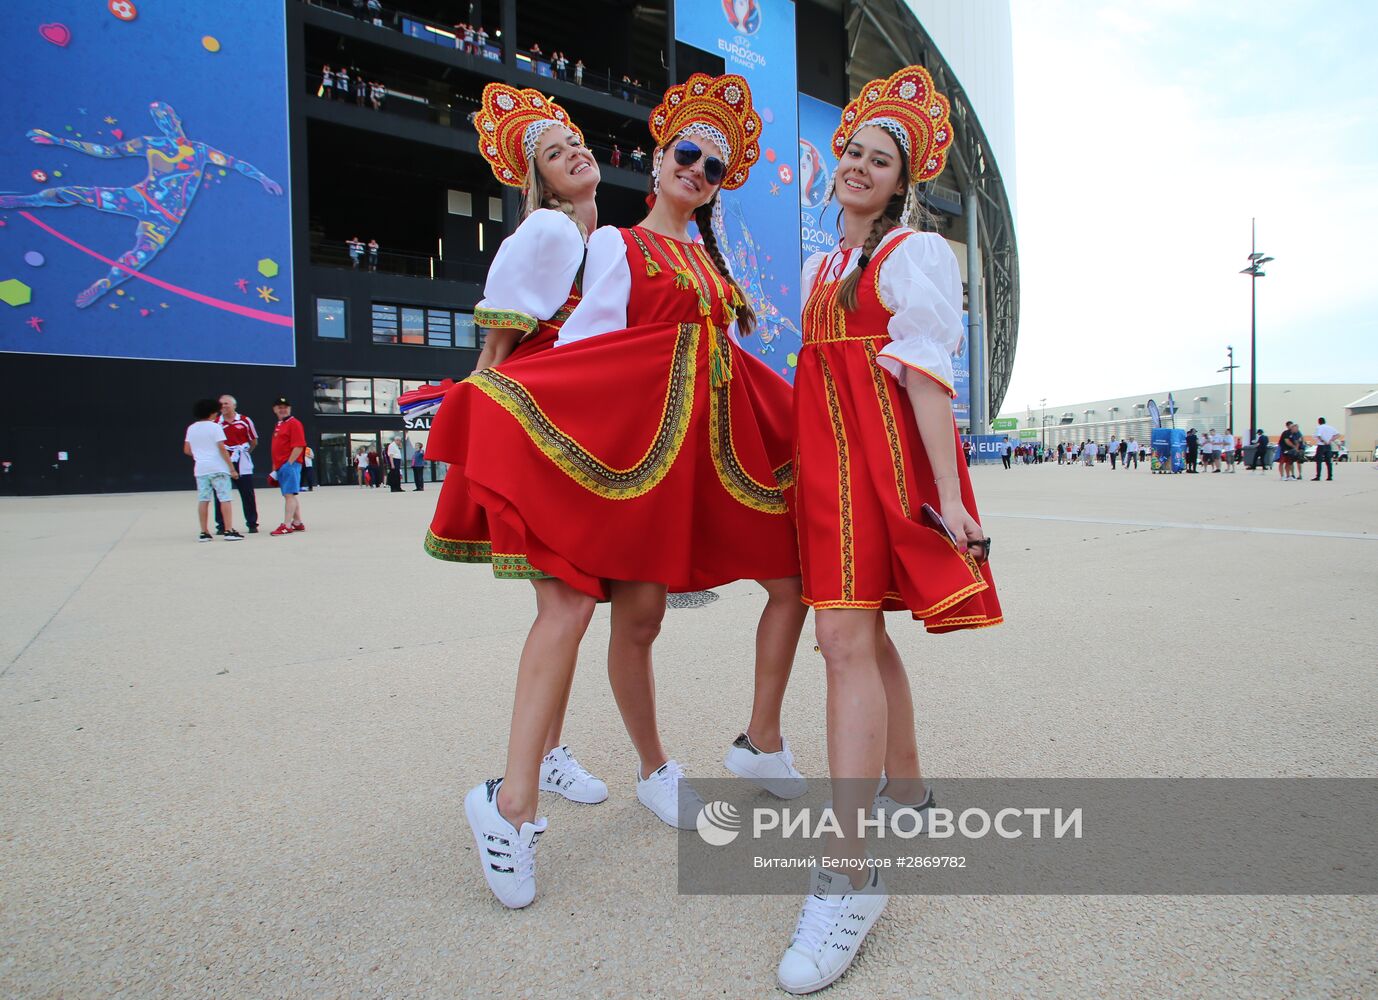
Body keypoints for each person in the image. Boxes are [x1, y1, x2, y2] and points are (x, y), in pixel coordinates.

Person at [435, 75, 807, 909]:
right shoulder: (617, 246)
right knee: (610, 619)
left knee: (775, 586)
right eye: (687, 152)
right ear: (659, 156)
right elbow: (593, 352)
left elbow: (730, 368)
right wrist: (507, 403)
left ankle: (737, 745)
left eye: (713, 165)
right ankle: (606, 780)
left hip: (705, 464)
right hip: (634, 456)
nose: (698, 169)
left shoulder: (708, 258)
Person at [780, 66, 1000, 994]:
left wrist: (950, 498)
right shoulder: (818, 265)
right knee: (856, 633)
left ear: (902, 180)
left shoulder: (915, 256)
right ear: (837, 166)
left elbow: (923, 379)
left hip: (883, 458)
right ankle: (906, 789)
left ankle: (850, 870)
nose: (863, 166)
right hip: (826, 465)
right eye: (855, 153)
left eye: (882, 158)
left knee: (840, 642)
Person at [184, 398, 242, 542]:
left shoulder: (191, 428)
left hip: (201, 469)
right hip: (218, 467)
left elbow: (187, 450)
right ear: (211, 413)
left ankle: (204, 532)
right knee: (225, 498)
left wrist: (200, 455)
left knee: (203, 499)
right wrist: (231, 468)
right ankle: (228, 530)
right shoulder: (215, 427)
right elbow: (222, 448)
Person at [214, 394, 259, 534]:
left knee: (247, 493)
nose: (224, 406)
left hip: (241, 460)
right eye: (221, 404)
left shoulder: (245, 420)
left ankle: (252, 523)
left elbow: (254, 441)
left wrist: (245, 453)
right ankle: (221, 525)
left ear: (234, 405)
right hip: (223, 461)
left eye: (226, 403)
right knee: (220, 494)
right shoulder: (216, 423)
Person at [268, 397, 306, 535]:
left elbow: (299, 446)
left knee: (289, 494)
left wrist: (289, 463)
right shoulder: (280, 424)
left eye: (285, 407)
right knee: (289, 494)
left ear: (289, 409)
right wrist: (275, 467)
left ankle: (287, 524)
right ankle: (297, 522)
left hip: (289, 464)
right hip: (283, 464)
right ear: (274, 409)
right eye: (279, 407)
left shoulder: (293, 423)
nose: (282, 409)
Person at [1313, 416, 1340, 481]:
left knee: (1319, 461)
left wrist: (1323, 441)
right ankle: (1330, 476)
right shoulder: (1330, 427)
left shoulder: (1319, 427)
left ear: (1319, 422)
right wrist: (1330, 440)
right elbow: (1338, 434)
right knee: (1328, 462)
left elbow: (1319, 436)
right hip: (1328, 445)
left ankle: (1318, 476)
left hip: (1321, 445)